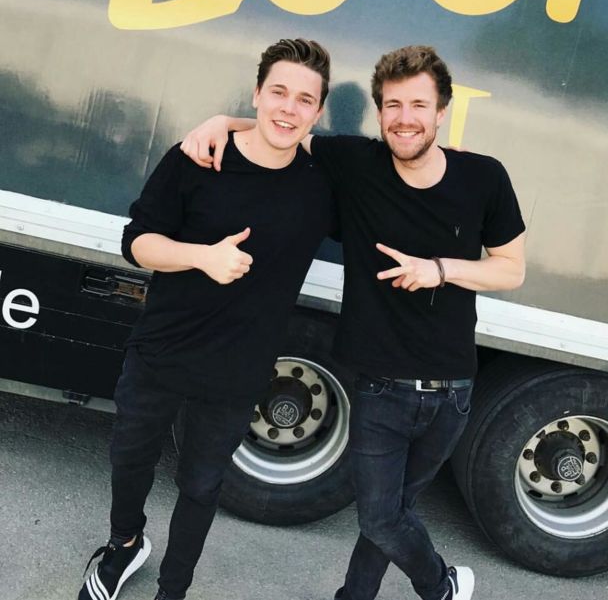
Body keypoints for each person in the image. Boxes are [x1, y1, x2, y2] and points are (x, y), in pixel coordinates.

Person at [181, 44, 526, 600]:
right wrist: (222, 121)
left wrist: (439, 270)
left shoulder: (484, 177)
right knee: (381, 518)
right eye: (392, 105)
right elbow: (284, 131)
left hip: (453, 391)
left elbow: (511, 268)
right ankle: (441, 587)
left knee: (395, 512)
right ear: (380, 112)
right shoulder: (356, 163)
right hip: (381, 388)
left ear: (442, 112)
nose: (405, 118)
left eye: (419, 105)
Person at [78, 38, 334, 600]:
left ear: (318, 112)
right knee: (129, 458)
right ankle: (124, 544)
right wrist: (202, 257)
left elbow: (397, 165)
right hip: (162, 347)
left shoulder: (323, 185)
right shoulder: (197, 157)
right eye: (278, 92)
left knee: (200, 485)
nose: (288, 108)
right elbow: (136, 242)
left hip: (238, 368)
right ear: (257, 93)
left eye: (304, 100)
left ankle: (174, 589)